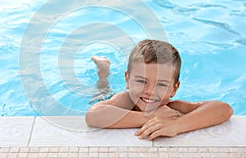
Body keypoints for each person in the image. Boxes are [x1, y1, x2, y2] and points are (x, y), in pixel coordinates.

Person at [85, 39, 233, 141]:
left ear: (174, 89)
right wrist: (149, 117)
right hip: (112, 99)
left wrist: (177, 125)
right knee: (103, 91)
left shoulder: (171, 108)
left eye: (161, 84)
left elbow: (224, 109)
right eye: (142, 81)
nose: (149, 91)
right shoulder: (125, 99)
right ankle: (103, 72)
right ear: (128, 80)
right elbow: (93, 115)